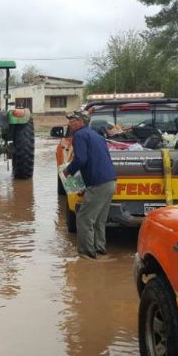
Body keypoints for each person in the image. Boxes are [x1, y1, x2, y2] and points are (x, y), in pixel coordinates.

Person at [62, 110, 117, 259]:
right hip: (110, 182)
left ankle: (87, 254)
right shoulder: (97, 135)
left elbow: (81, 159)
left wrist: (68, 171)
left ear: (81, 121)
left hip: (98, 184)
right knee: (99, 220)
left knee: (84, 218)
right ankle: (100, 249)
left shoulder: (80, 135)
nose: (69, 122)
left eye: (72, 119)